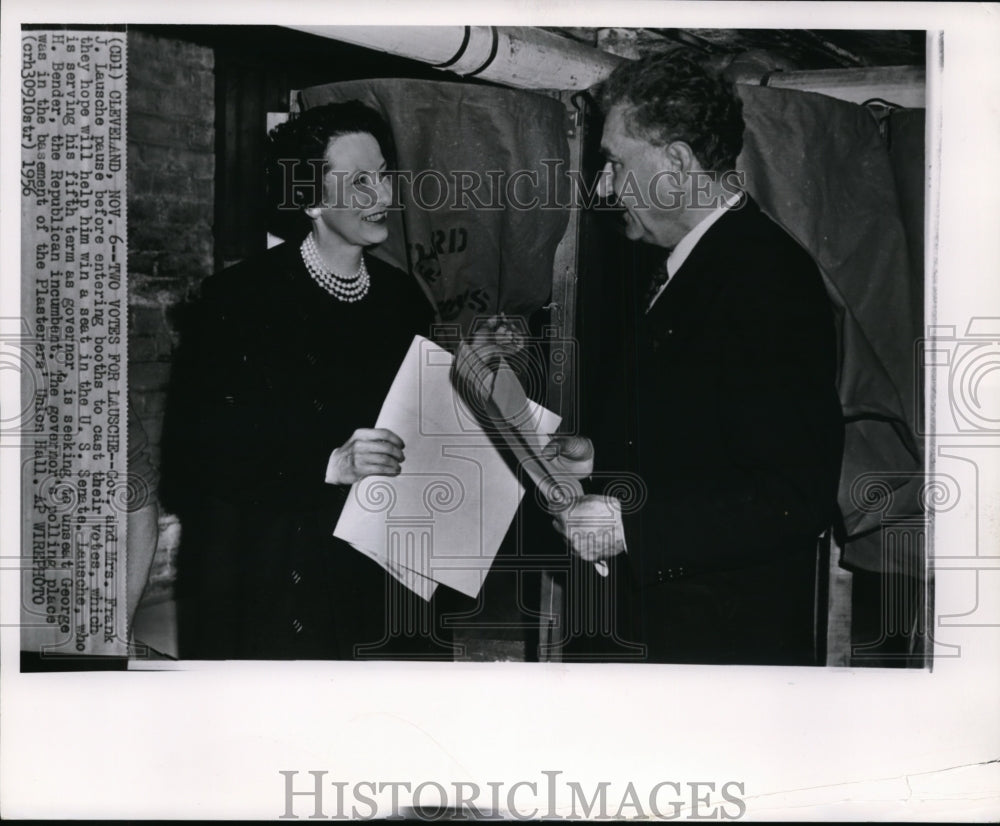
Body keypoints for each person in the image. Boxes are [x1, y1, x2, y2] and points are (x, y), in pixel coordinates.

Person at [554, 52, 845, 665]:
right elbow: (706, 433)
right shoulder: (698, 261)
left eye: (614, 163)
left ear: (678, 163)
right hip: (664, 629)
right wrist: (600, 456)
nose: (605, 187)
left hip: (719, 645)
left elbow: (795, 495)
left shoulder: (767, 279)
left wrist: (629, 527)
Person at [159, 101, 446, 660]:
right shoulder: (239, 300)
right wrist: (329, 464)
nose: (382, 196)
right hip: (281, 573)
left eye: (383, 175)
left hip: (385, 568)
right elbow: (194, 458)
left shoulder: (403, 299)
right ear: (312, 198)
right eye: (360, 181)